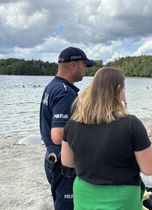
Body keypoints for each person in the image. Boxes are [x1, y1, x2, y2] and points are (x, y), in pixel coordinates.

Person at [61, 67, 152, 210]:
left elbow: (67, 162)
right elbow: (150, 169)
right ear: (119, 89)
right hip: (121, 198)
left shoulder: (72, 123)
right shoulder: (131, 124)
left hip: (84, 193)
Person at [39, 46, 95, 210]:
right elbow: (58, 135)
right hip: (63, 162)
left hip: (52, 157)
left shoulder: (52, 86)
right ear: (73, 65)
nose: (86, 69)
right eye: (85, 65)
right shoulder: (65, 93)